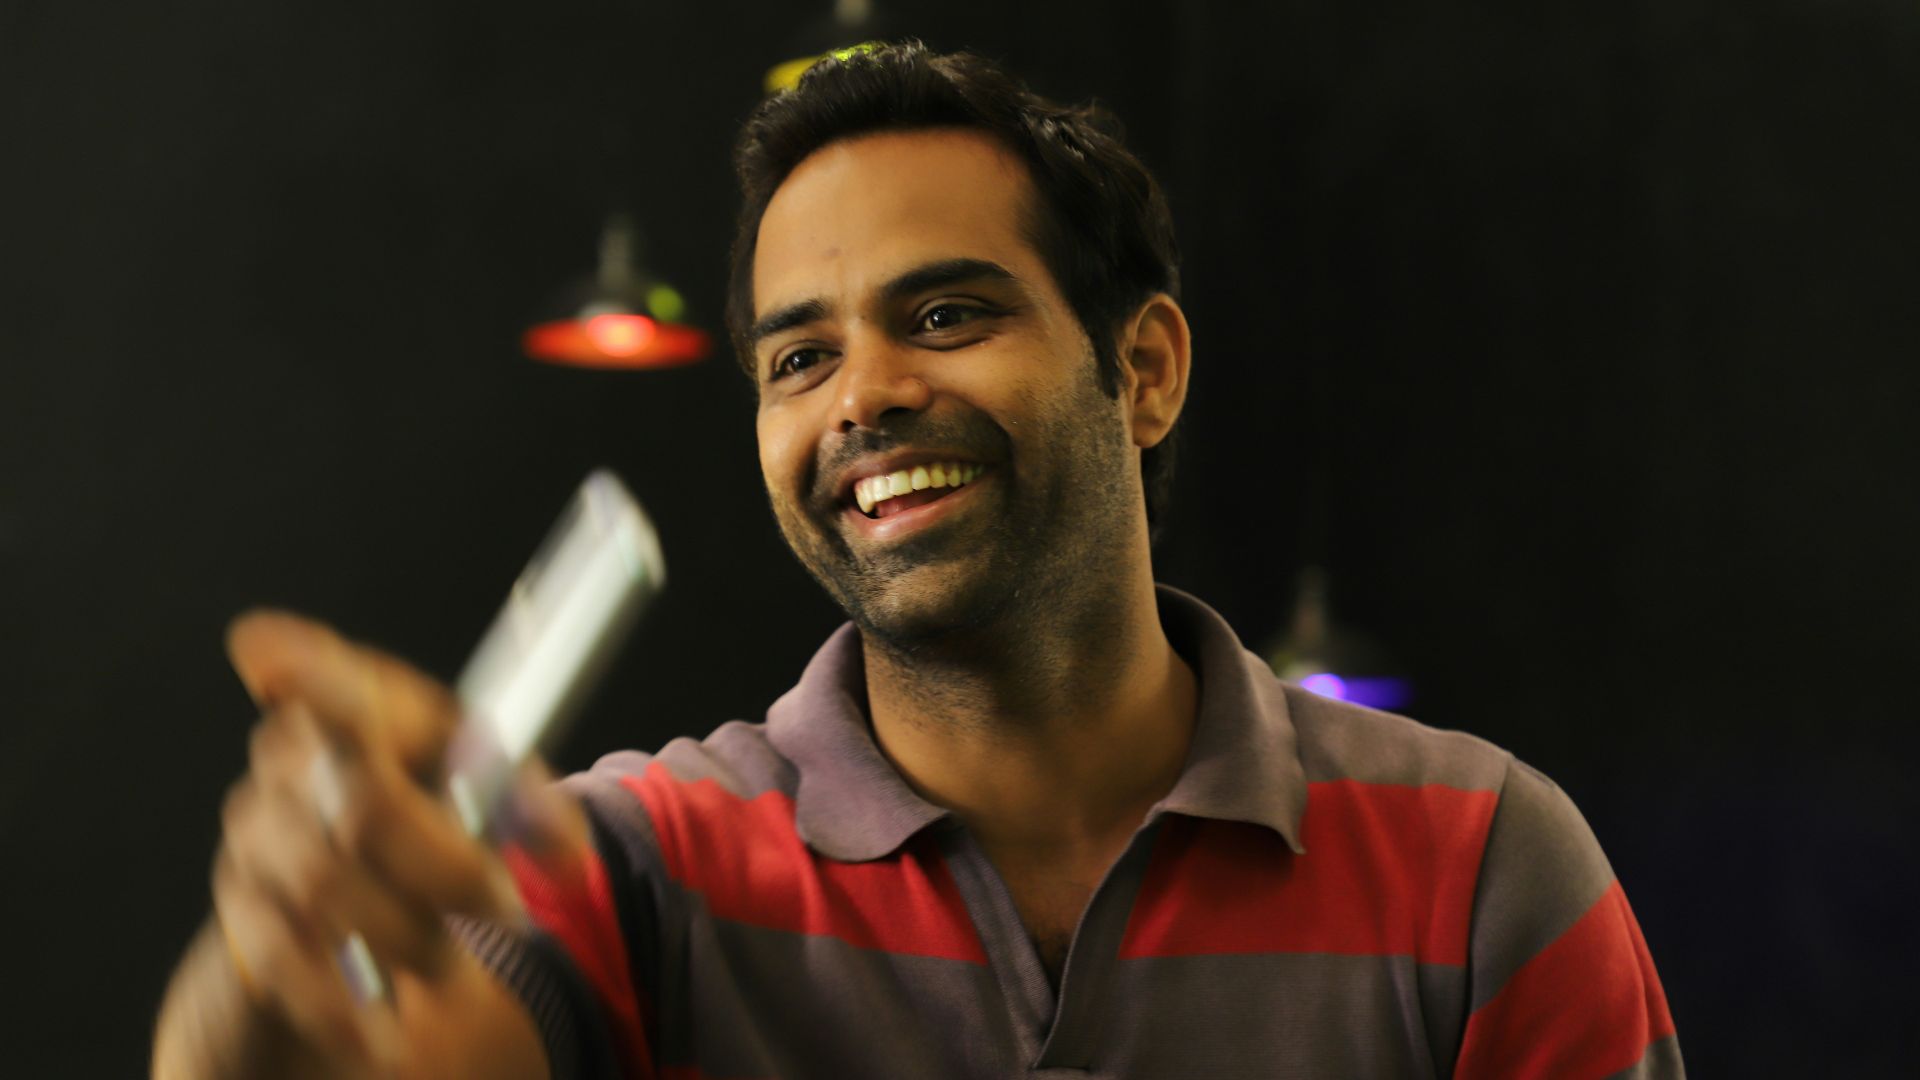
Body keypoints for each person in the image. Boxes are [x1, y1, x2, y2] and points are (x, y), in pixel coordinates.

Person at [152, 42, 1681, 1080]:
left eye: (946, 316)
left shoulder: (1486, 870)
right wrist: (268, 989)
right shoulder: (629, 868)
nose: (865, 394)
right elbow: (359, 1048)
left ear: (1142, 370)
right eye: (798, 356)